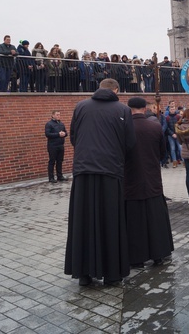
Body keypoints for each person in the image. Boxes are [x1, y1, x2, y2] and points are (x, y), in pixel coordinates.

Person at [64, 78, 136, 286]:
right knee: (111, 221)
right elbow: (129, 143)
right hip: (110, 172)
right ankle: (112, 274)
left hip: (83, 171)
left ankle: (84, 274)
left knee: (82, 221)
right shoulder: (122, 110)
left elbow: (74, 137)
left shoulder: (80, 106)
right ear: (115, 90)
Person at [125, 97, 174, 268]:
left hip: (130, 181)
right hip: (152, 179)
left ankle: (136, 258)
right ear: (145, 108)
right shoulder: (154, 127)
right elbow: (162, 153)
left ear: (129, 109)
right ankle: (158, 255)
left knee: (134, 220)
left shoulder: (124, 127)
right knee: (155, 219)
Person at [45, 110, 68, 183]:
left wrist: (64, 134)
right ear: (53, 115)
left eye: (59, 114)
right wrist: (58, 134)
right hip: (52, 146)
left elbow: (66, 132)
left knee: (60, 161)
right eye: (57, 114)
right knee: (52, 161)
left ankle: (60, 176)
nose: (59, 116)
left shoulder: (61, 124)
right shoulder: (49, 124)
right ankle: (51, 177)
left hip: (60, 145)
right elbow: (47, 134)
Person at [165, 100, 182, 168]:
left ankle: (183, 161)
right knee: (172, 148)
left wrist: (177, 133)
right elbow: (167, 127)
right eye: (171, 109)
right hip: (171, 135)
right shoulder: (167, 118)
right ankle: (174, 161)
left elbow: (180, 125)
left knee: (180, 148)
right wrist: (172, 134)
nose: (172, 110)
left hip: (178, 134)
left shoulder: (178, 117)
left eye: (173, 109)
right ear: (169, 110)